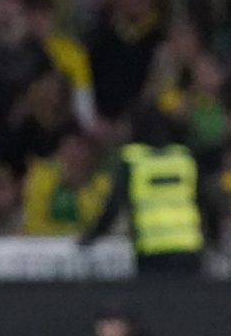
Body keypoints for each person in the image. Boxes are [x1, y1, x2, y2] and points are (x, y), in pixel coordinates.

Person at [80, 116, 214, 275]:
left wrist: (90, 238)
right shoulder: (184, 159)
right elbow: (206, 201)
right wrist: (215, 236)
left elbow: (114, 206)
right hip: (188, 248)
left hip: (151, 250)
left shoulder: (132, 162)